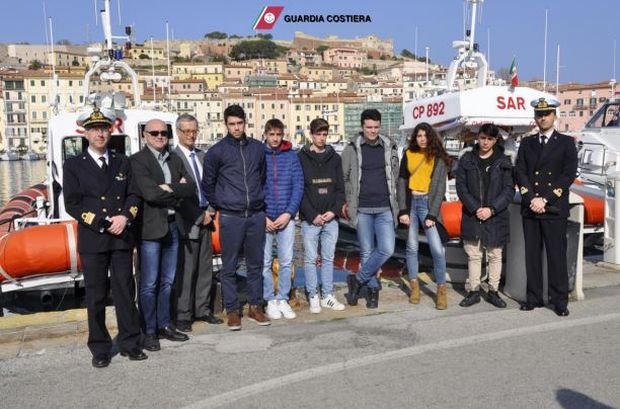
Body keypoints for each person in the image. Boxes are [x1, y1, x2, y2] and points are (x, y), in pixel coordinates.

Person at [63, 107, 146, 368]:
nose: (100, 133)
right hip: (94, 238)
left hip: (121, 236)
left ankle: (130, 343)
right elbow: (72, 203)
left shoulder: (123, 162)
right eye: (94, 129)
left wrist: (125, 218)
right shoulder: (74, 165)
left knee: (124, 292)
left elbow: (134, 195)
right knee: (96, 296)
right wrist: (101, 223)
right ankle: (100, 348)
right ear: (85, 133)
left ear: (111, 131)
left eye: (104, 128)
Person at [202, 104, 270, 330]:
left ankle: (255, 307)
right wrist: (222, 202)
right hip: (230, 216)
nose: (236, 128)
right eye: (232, 124)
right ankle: (232, 310)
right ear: (226, 125)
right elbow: (208, 185)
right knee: (229, 265)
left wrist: (257, 200)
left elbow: (261, 177)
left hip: (256, 215)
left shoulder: (258, 149)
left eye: (239, 123)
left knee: (255, 264)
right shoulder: (216, 152)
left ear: (245, 123)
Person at [131, 119, 195, 350]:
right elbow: (150, 194)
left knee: (168, 281)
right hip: (150, 229)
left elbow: (191, 189)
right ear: (145, 135)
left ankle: (165, 324)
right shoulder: (137, 161)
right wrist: (175, 189)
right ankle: (149, 331)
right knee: (149, 283)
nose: (160, 136)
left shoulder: (174, 159)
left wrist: (170, 188)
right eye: (154, 132)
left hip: (172, 225)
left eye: (163, 132)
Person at [515, 97, 578, 316]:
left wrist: (545, 199)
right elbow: (520, 172)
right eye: (539, 115)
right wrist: (532, 198)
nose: (543, 118)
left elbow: (568, 175)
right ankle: (533, 297)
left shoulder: (566, 143)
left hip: (554, 208)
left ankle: (559, 300)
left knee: (556, 256)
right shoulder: (527, 143)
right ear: (535, 117)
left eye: (547, 114)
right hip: (531, 207)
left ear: (554, 116)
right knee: (532, 255)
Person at [342, 109, 399, 309]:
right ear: (362, 127)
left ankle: (357, 280)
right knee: (366, 253)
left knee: (387, 249)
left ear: (380, 126)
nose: (373, 131)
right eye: (369, 127)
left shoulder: (389, 146)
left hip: (385, 208)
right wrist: (347, 202)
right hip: (362, 208)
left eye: (376, 127)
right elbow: (345, 177)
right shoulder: (351, 149)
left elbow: (395, 175)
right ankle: (372, 290)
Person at [171, 114, 223, 332]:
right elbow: (177, 195)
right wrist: (201, 216)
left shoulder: (203, 156)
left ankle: (202, 309)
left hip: (207, 217)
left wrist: (211, 210)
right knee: (186, 270)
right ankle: (183, 314)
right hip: (187, 220)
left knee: (204, 268)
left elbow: (213, 185)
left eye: (194, 130)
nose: (191, 135)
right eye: (186, 131)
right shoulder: (173, 159)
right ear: (178, 132)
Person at [455, 123, 514, 308]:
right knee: (474, 254)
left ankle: (493, 291)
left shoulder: (504, 161)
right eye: (482, 138)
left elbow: (508, 190)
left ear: (495, 140)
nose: (485, 142)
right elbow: (461, 188)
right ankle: (473, 291)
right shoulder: (466, 160)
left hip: (496, 215)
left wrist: (492, 209)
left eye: (489, 139)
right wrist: (475, 208)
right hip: (473, 215)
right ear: (477, 137)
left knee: (495, 254)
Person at [397, 122, 451, 309]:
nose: (422, 139)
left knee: (437, 249)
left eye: (425, 136)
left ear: (430, 137)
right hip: (411, 202)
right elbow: (401, 182)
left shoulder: (437, 157)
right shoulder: (409, 154)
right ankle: (415, 287)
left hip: (428, 204)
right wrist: (403, 210)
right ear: (415, 137)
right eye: (419, 136)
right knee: (411, 247)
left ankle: (441, 291)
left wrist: (433, 214)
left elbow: (439, 188)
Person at [298, 118, 347, 313]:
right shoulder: (301, 158)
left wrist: (333, 212)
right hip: (311, 220)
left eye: (324, 134)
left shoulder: (335, 159)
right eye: (318, 134)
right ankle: (313, 295)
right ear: (311, 135)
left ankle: (327, 294)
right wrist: (311, 215)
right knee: (310, 259)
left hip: (330, 219)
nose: (321, 138)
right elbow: (299, 190)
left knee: (328, 258)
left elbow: (340, 190)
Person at [261, 119, 304, 320]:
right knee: (265, 261)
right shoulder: (259, 155)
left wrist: (289, 213)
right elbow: (253, 186)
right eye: (272, 134)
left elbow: (298, 185)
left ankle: (282, 298)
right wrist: (262, 216)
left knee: (286, 261)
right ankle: (269, 299)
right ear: (266, 135)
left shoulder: (291, 156)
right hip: (265, 217)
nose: (275, 138)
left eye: (279, 134)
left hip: (286, 217)